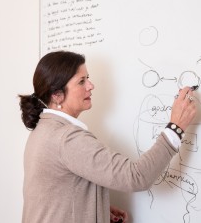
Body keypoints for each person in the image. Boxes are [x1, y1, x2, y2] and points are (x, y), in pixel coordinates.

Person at [18, 51, 196, 223]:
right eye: (81, 81)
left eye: (87, 78)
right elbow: (136, 176)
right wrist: (176, 127)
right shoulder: (67, 138)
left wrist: (95, 207)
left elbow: (55, 194)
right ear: (57, 95)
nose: (91, 85)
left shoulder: (43, 129)